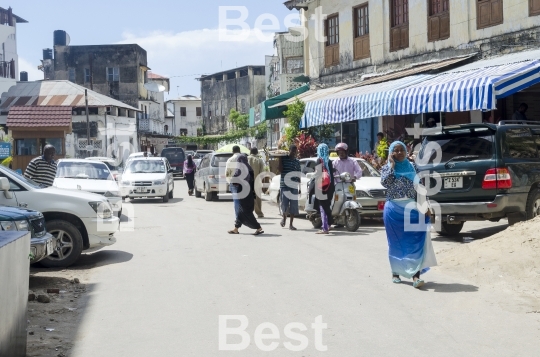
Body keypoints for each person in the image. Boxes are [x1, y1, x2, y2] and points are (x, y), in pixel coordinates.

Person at [380, 141, 437, 289]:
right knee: (396, 244)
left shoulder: (413, 167)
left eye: (401, 150)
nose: (399, 153)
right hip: (393, 211)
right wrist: (392, 165)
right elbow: (385, 183)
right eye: (395, 150)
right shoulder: (387, 168)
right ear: (391, 152)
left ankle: (416, 276)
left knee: (414, 242)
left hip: (413, 210)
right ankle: (396, 272)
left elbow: (421, 188)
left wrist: (426, 207)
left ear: (406, 152)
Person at [227, 154, 264, 235]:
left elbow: (234, 180)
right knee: (241, 211)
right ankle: (236, 228)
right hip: (248, 193)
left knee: (245, 212)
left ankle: (258, 227)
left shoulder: (239, 170)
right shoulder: (250, 169)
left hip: (243, 194)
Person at [312, 143, 335, 234]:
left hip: (321, 187)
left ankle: (325, 228)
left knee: (322, 207)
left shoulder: (319, 160)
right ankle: (328, 225)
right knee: (327, 205)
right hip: (331, 186)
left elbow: (318, 175)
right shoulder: (329, 161)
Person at [279, 145, 301, 231]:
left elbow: (299, 174)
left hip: (294, 186)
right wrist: (280, 159)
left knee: (293, 205)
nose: (294, 153)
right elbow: (280, 169)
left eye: (295, 151)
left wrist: (299, 187)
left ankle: (291, 224)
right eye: (292, 151)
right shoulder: (284, 159)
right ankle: (284, 218)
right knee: (284, 204)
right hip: (284, 185)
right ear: (289, 150)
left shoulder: (297, 162)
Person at [247, 147, 266, 218]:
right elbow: (262, 172)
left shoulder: (246, 159)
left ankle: (248, 213)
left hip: (247, 181)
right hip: (257, 181)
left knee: (248, 198)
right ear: (257, 152)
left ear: (250, 152)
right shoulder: (259, 160)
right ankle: (259, 213)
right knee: (258, 198)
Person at [225, 145, 242, 215]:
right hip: (244, 182)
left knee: (236, 200)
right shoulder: (244, 158)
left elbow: (227, 172)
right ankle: (245, 216)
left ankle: (238, 216)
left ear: (233, 151)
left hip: (234, 182)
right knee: (244, 200)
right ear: (240, 150)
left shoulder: (230, 160)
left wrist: (229, 182)